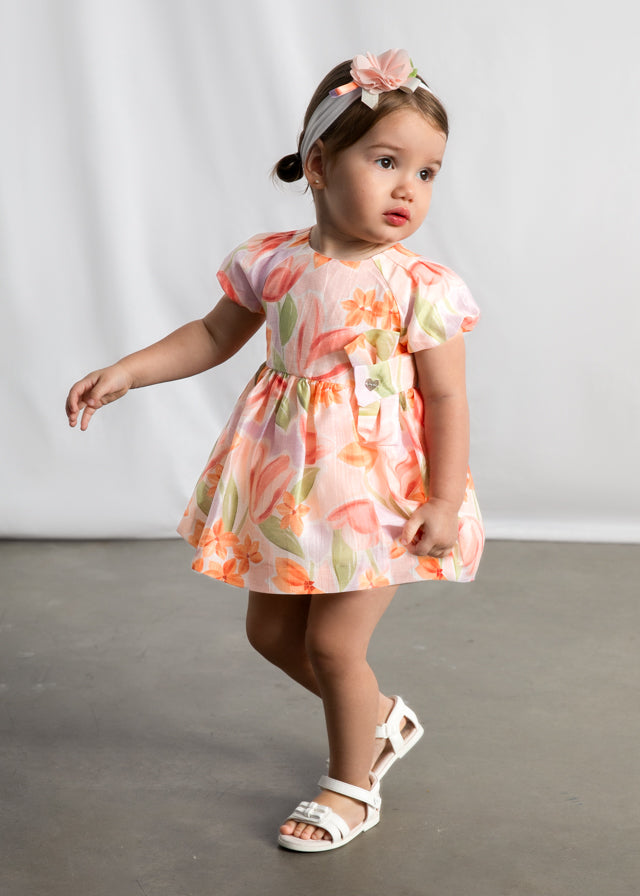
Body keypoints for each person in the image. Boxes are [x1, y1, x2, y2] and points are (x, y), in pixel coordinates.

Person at [65, 48, 484, 852]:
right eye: (387, 162)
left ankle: (352, 786)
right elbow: (210, 336)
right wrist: (128, 371)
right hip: (287, 483)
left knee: (333, 644)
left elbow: (446, 397)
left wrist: (441, 498)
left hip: (379, 488)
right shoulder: (273, 261)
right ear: (319, 165)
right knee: (271, 636)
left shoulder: (421, 286)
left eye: (427, 172)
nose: (408, 188)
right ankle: (381, 719)